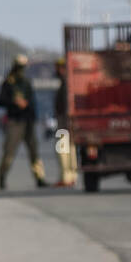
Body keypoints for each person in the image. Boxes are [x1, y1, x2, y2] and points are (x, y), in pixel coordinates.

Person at [0, 54, 47, 190]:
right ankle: (2, 176)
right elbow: (0, 101)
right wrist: (14, 102)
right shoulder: (8, 82)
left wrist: (27, 107)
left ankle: (39, 177)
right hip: (14, 121)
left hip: (28, 120)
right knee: (9, 151)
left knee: (34, 151)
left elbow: (32, 101)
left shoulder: (26, 82)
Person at [53, 57, 77, 187]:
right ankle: (71, 175)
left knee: (62, 149)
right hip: (69, 121)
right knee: (71, 149)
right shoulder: (69, 82)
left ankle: (66, 177)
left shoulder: (66, 84)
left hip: (64, 121)